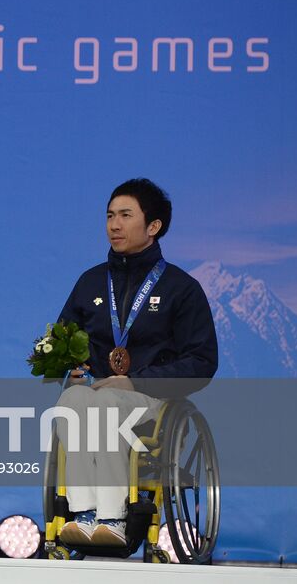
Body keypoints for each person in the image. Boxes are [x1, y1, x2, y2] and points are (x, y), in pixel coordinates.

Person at [53, 178, 218, 548]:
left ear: (153, 226)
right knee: (72, 402)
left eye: (126, 215)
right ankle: (84, 514)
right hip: (96, 391)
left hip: (151, 400)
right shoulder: (91, 282)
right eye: (110, 215)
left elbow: (202, 361)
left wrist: (137, 382)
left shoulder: (181, 288)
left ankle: (113, 519)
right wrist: (71, 368)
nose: (114, 224)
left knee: (109, 405)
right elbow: (62, 338)